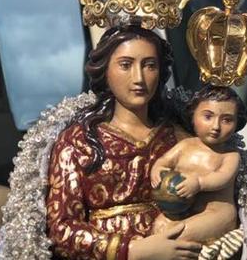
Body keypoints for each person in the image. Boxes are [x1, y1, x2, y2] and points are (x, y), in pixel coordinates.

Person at [45, 25, 202, 260]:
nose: (139, 78)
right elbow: (61, 229)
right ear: (105, 71)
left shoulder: (178, 137)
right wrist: (132, 250)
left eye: (149, 65)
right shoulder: (79, 142)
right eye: (125, 65)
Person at [149, 86, 244, 244]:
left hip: (216, 213)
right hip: (182, 211)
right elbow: (165, 161)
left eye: (227, 120)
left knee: (179, 234)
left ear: (236, 124)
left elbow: (222, 177)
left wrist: (199, 183)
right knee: (159, 227)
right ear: (193, 116)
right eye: (208, 117)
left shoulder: (230, 156)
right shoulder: (186, 145)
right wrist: (158, 169)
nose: (216, 127)